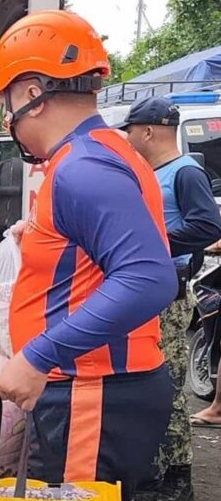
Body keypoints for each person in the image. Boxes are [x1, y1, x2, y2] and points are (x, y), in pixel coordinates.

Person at [0, 11, 177, 501]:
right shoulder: (99, 152)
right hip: (91, 391)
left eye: (6, 100)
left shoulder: (83, 168)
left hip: (90, 394)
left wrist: (37, 356)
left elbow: (147, 278)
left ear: (32, 93)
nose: (6, 117)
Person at [120, 96, 221, 501]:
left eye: (129, 131)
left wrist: (154, 244)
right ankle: (156, 468)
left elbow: (205, 225)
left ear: (147, 131)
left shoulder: (184, 173)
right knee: (150, 382)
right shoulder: (152, 172)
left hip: (169, 292)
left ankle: (177, 478)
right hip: (148, 288)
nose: (126, 139)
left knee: (168, 382)